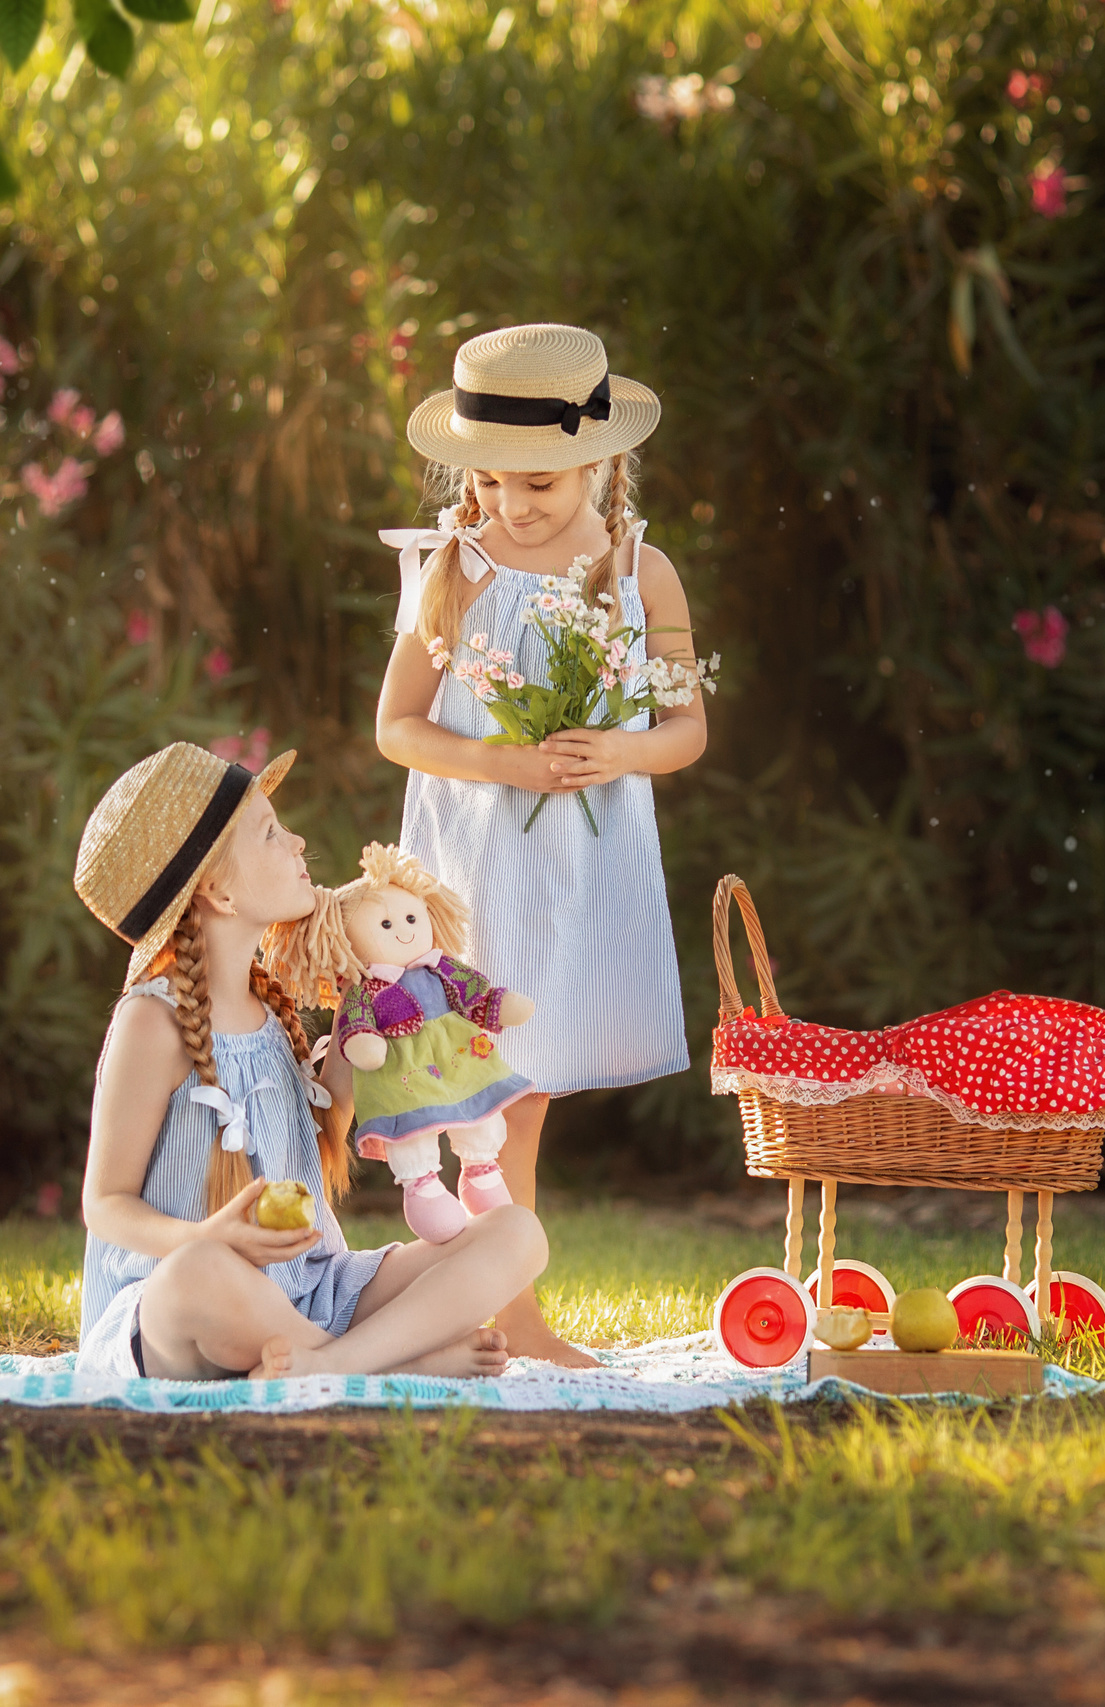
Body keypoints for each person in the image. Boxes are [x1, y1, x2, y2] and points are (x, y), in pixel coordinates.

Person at [375, 323, 707, 1368]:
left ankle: (479, 1302)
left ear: (599, 463)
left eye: (541, 487)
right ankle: (501, 1313)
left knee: (523, 1094)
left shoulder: (639, 574)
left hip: (578, 870)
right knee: (494, 1093)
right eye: (495, 484)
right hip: (478, 865)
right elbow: (397, 727)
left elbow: (686, 732)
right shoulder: (454, 571)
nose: (513, 508)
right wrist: (508, 765)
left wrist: (618, 748)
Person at [72, 741, 549, 1381]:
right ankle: (385, 1361)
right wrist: (211, 1236)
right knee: (201, 1275)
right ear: (218, 891)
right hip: (187, 1310)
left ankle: (335, 1362)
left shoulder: (273, 1015)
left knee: (516, 1232)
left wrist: (365, 1058)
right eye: (271, 833)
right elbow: (105, 1204)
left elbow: (315, 1150)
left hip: (311, 1294)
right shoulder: (152, 1022)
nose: (298, 844)